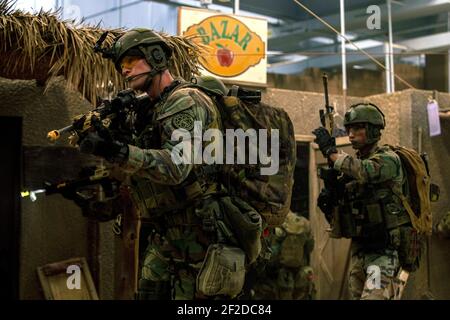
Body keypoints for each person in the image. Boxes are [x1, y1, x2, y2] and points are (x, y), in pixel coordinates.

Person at [77, 28, 259, 300]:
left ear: (156, 57)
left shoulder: (185, 101)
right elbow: (142, 173)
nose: (124, 71)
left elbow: (176, 167)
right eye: (121, 65)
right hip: (167, 234)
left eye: (130, 62)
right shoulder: (151, 108)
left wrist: (119, 151)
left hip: (200, 236)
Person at [312, 103, 421, 300]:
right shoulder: (353, 166)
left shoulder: (387, 159)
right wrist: (332, 188)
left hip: (384, 252)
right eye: (349, 129)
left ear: (371, 130)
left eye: (357, 128)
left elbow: (365, 171)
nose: (351, 134)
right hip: (361, 250)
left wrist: (331, 151)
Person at [250, 210, 315, 300]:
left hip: (274, 276)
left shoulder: (270, 223)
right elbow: (310, 248)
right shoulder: (304, 223)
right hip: (299, 274)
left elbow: (265, 252)